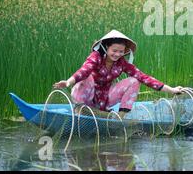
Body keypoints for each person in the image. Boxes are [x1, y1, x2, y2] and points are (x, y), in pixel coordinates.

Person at [53, 30, 183, 116]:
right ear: (106, 47)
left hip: (103, 100)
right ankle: (80, 112)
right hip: (85, 97)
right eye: (114, 50)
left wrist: (171, 90)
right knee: (87, 76)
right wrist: (68, 82)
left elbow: (144, 78)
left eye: (121, 52)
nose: (117, 54)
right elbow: (84, 71)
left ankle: (119, 118)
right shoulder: (96, 57)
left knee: (135, 80)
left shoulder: (122, 63)